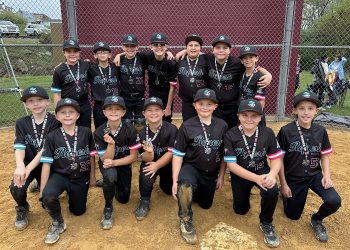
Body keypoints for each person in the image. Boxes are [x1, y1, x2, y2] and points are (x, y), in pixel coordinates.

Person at [277, 91, 341, 243]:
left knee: (334, 201)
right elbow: (278, 159)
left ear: (316, 111)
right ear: (294, 110)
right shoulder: (286, 131)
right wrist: (284, 184)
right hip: (294, 177)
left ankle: (317, 219)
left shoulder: (321, 131)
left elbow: (324, 155)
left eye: (310, 108)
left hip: (314, 175)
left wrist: (327, 176)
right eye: (301, 108)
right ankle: (285, 196)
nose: (306, 112)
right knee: (293, 216)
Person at [176, 35, 272, 128]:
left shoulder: (237, 63)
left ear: (230, 50)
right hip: (216, 107)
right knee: (218, 131)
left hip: (233, 106)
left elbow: (252, 66)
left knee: (233, 131)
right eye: (218, 47)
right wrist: (185, 50)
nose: (221, 50)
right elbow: (195, 52)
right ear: (213, 50)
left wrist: (268, 74)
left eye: (225, 48)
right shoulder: (208, 59)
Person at [224, 99, 283, 248]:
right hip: (240, 173)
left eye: (254, 115)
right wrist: (256, 179)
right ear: (238, 116)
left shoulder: (267, 132)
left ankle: (266, 222)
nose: (249, 119)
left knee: (271, 190)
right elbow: (231, 165)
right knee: (241, 211)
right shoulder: (231, 134)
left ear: (260, 117)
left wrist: (271, 175)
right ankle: (244, 196)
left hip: (261, 169)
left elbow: (276, 158)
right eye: (245, 115)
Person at [172, 88, 227, 244]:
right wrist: (175, 181)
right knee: (185, 184)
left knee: (206, 205)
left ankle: (192, 193)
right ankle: (185, 219)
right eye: (201, 103)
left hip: (210, 173)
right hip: (192, 168)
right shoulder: (187, 125)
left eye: (209, 104)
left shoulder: (222, 125)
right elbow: (177, 154)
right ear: (194, 105)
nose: (205, 107)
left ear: (215, 106)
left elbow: (224, 155)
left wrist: (221, 176)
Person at [40, 98, 97, 244]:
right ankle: (58, 222)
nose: (67, 115)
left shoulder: (86, 132)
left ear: (78, 115)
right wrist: (42, 190)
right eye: (63, 112)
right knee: (48, 196)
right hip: (61, 175)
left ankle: (72, 195)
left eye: (71, 112)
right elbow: (46, 164)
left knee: (78, 212)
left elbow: (92, 157)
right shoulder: (52, 136)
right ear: (57, 116)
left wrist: (92, 177)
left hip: (80, 177)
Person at [9, 86, 60, 230]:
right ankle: (22, 206)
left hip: (48, 165)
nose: (36, 104)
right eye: (31, 101)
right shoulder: (21, 122)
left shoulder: (55, 121)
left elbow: (45, 148)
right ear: (26, 104)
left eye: (39, 100)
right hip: (28, 164)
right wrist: (20, 166)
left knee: (49, 197)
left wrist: (28, 168)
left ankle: (40, 183)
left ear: (47, 102)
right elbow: (19, 145)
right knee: (16, 187)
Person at [93, 95, 139, 229]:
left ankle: (110, 182)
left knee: (124, 199)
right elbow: (105, 160)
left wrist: (115, 163)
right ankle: (108, 208)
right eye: (110, 109)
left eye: (117, 109)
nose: (113, 112)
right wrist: (111, 145)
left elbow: (134, 157)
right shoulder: (99, 132)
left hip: (123, 163)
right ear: (104, 112)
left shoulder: (129, 129)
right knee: (111, 176)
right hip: (107, 162)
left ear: (123, 112)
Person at [134, 97, 178, 220]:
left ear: (163, 112)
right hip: (151, 161)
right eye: (149, 110)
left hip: (168, 163)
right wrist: (150, 153)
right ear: (144, 114)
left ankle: (164, 183)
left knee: (168, 190)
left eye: (157, 110)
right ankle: (144, 200)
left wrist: (157, 164)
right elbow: (145, 159)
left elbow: (171, 153)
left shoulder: (172, 129)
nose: (153, 113)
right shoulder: (141, 132)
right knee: (146, 172)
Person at [51, 39, 91, 128]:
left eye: (75, 51)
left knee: (86, 129)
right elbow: (57, 93)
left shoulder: (86, 65)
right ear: (64, 53)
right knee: (69, 129)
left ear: (79, 53)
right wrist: (58, 110)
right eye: (69, 51)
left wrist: (120, 55)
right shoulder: (59, 70)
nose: (72, 54)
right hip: (68, 104)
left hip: (84, 103)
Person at [145, 32, 177, 123]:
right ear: (151, 47)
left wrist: (168, 107)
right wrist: (120, 55)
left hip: (167, 93)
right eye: (156, 45)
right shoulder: (147, 57)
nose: (159, 47)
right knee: (154, 118)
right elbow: (131, 52)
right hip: (153, 91)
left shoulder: (171, 62)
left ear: (166, 47)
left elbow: (173, 87)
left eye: (162, 45)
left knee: (166, 119)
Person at [176, 34, 208, 121]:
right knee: (188, 124)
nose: (193, 48)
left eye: (196, 45)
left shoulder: (206, 59)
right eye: (190, 45)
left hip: (204, 101)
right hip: (187, 101)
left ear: (200, 48)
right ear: (186, 47)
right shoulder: (180, 60)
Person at [117, 34, 147, 125]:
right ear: (122, 47)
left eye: (132, 46)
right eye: (127, 46)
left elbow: (155, 54)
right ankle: (128, 139)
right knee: (126, 122)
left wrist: (168, 52)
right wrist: (119, 55)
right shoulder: (119, 60)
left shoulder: (142, 58)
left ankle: (139, 139)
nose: (130, 49)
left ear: (137, 47)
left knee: (140, 122)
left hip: (139, 97)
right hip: (125, 97)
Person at [88, 41, 119, 129]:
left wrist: (120, 55)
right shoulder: (91, 68)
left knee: (115, 128)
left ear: (110, 55)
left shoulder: (116, 67)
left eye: (105, 52)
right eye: (99, 52)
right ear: (95, 55)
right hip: (99, 104)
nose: (102, 54)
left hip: (114, 103)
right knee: (100, 129)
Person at [238, 45, 266, 126]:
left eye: (251, 57)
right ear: (241, 61)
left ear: (256, 58)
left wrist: (257, 116)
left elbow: (261, 101)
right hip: (243, 111)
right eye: (245, 58)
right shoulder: (241, 73)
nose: (248, 60)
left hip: (254, 113)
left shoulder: (260, 76)